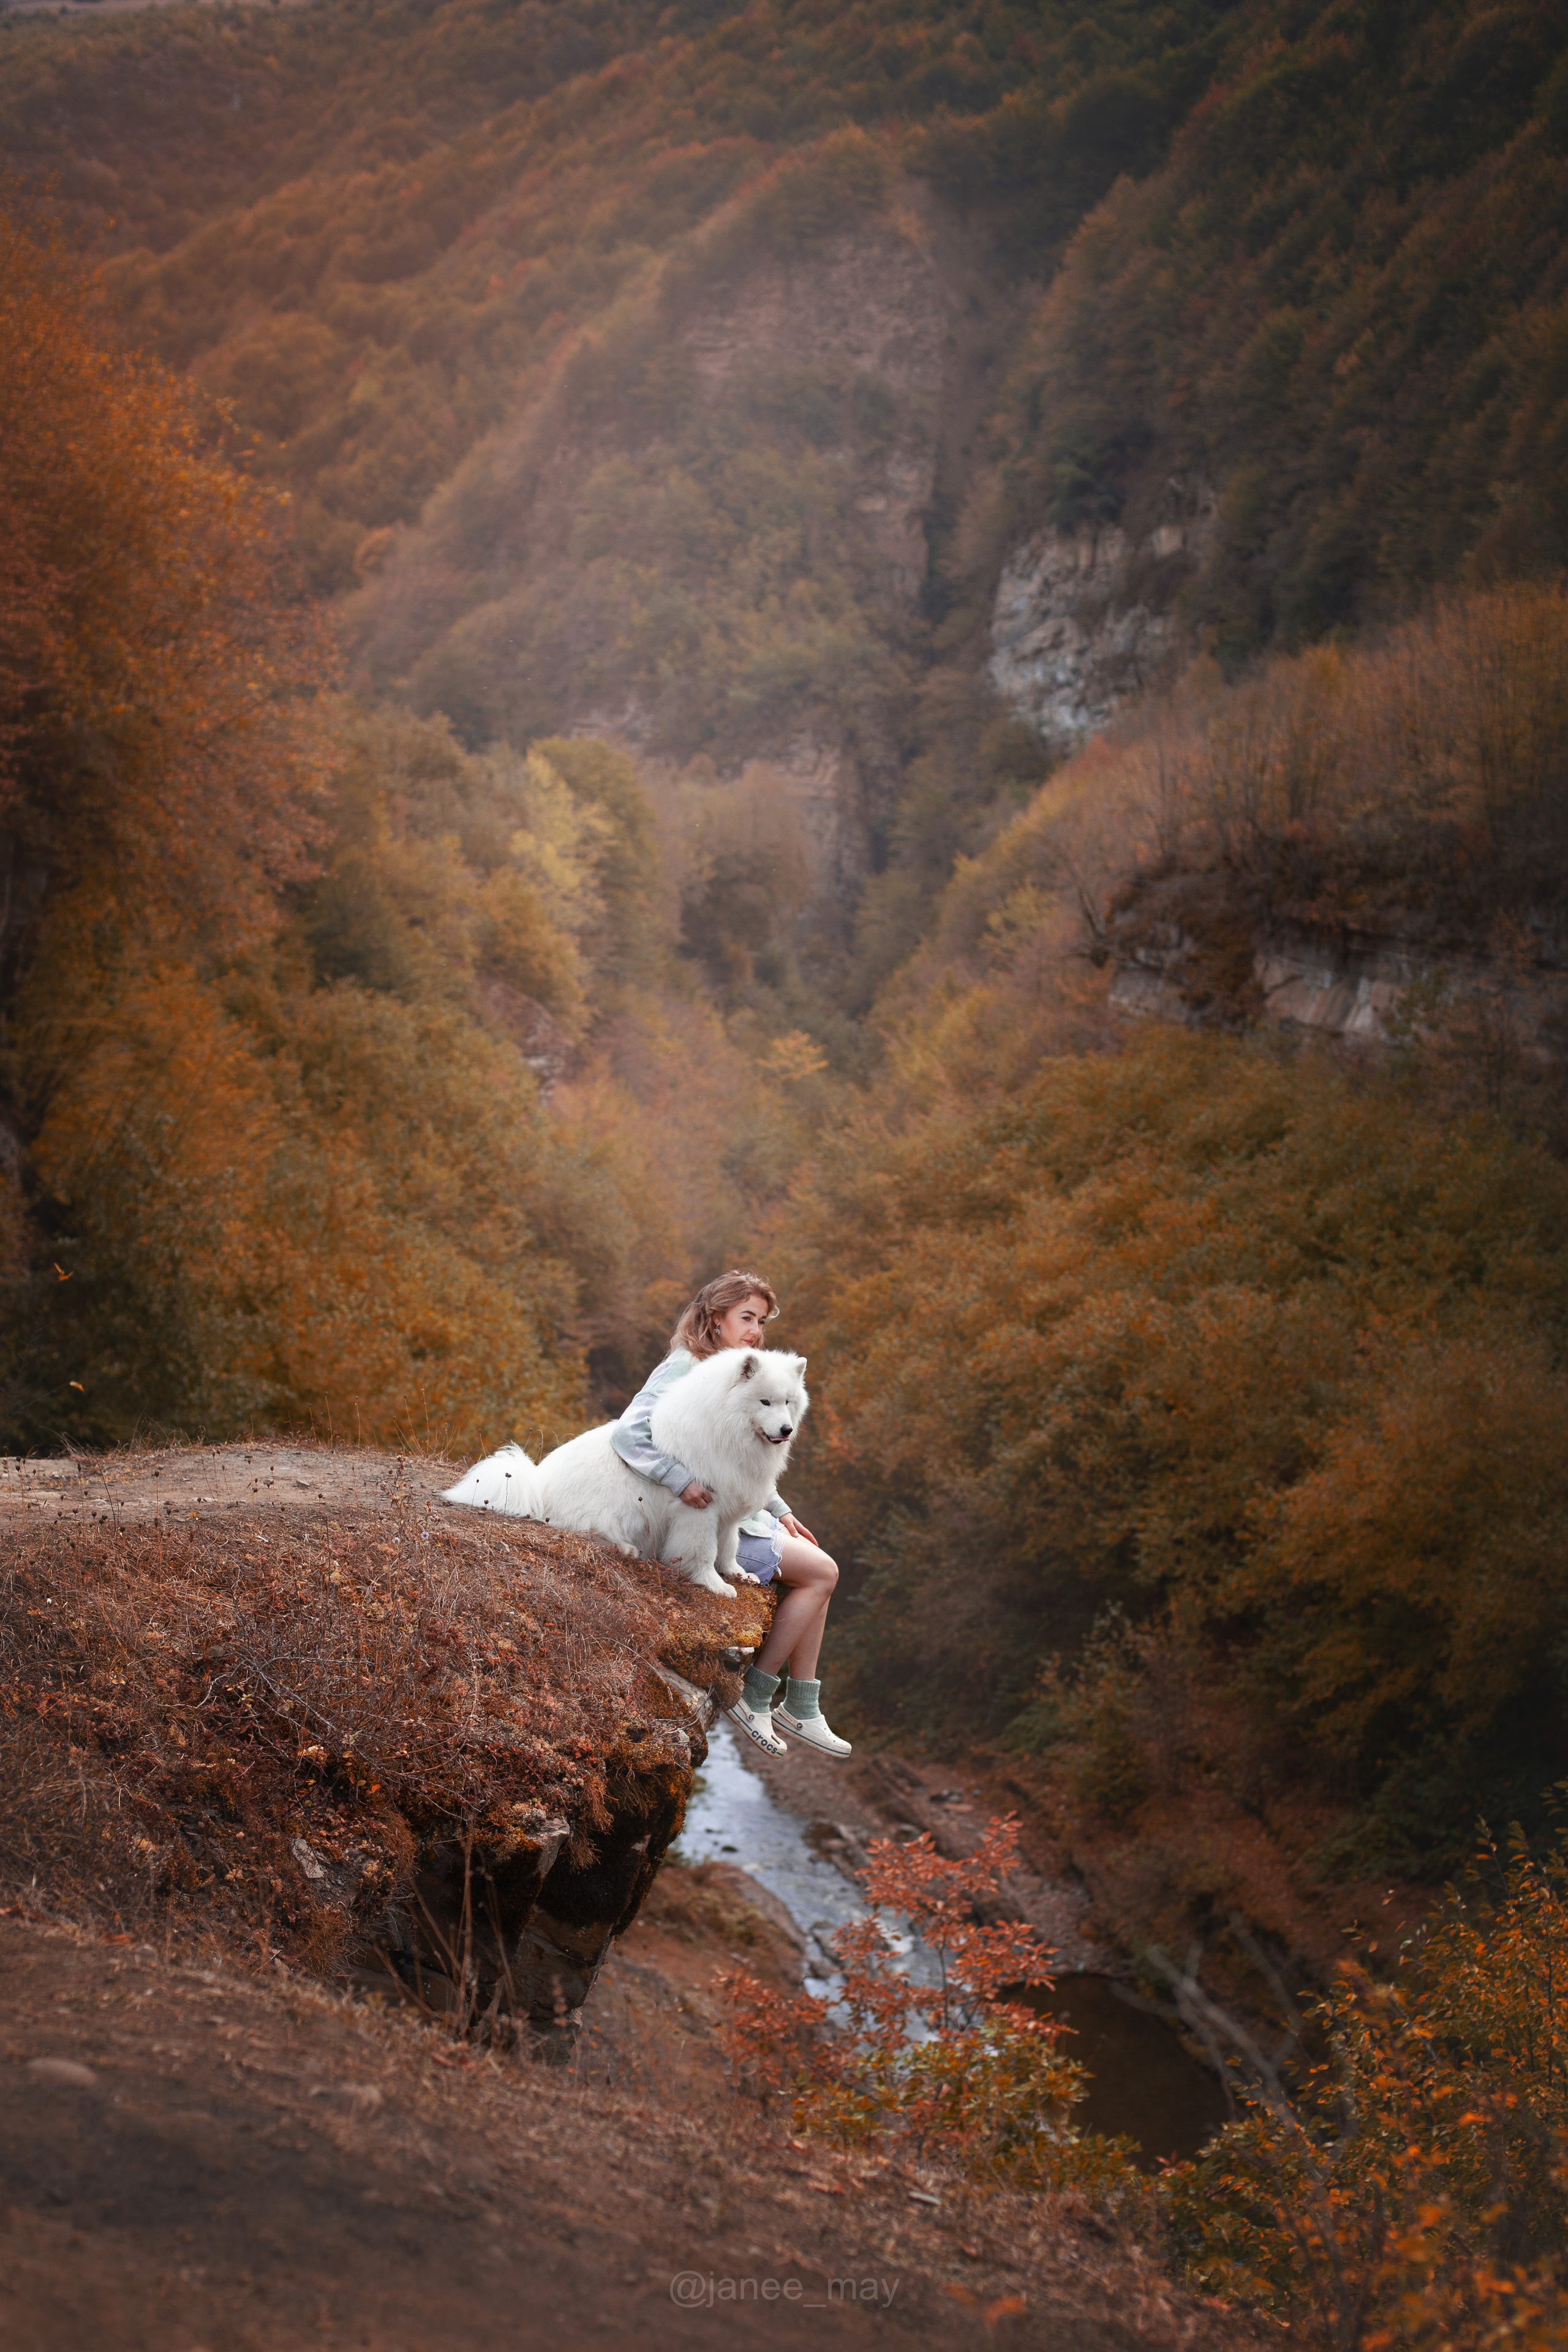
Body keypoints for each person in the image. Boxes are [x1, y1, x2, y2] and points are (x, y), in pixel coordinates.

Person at [611, 1269, 850, 1762]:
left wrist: (781, 1511)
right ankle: (759, 1697)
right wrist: (682, 1482)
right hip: (694, 1515)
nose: (756, 1330)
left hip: (738, 1514)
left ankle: (802, 1704)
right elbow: (629, 1435)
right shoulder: (687, 1367)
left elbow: (748, 1462)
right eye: (746, 1317)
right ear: (715, 1317)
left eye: (761, 1320)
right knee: (822, 1574)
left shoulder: (751, 1369)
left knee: (819, 1569)